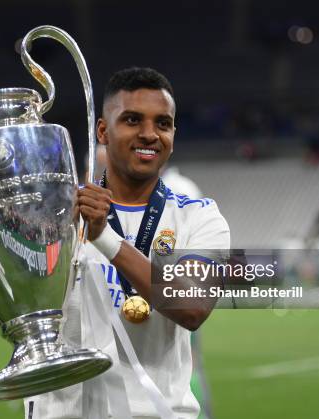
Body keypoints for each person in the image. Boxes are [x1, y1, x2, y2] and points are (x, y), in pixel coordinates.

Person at [25, 67, 230, 418]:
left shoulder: (200, 216)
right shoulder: (51, 214)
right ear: (103, 131)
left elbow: (193, 307)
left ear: (173, 134)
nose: (150, 134)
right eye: (133, 120)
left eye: (162, 124)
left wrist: (103, 236)